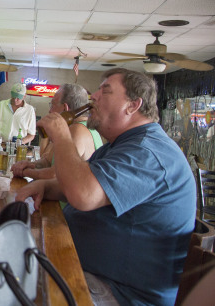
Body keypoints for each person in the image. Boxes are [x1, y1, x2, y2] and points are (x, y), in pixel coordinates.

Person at [16, 68, 196, 305]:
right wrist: (46, 187)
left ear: (133, 105)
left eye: (105, 91)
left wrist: (62, 136)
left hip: (122, 293)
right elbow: (86, 182)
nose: (95, 97)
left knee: (8, 281)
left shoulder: (148, 152)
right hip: (91, 272)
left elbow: (84, 194)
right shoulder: (121, 145)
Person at [11, 83, 102, 180]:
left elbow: (56, 175)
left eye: (52, 104)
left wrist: (25, 172)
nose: (50, 110)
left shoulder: (76, 130)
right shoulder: (76, 127)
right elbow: (47, 161)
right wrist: (29, 165)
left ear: (65, 108)